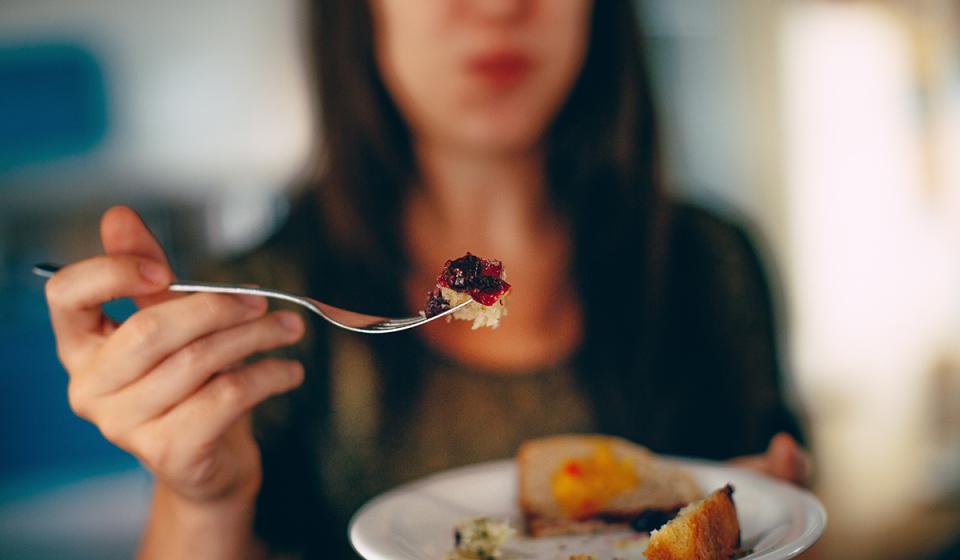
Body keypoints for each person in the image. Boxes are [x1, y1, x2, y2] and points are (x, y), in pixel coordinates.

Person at [42, 1, 811, 558]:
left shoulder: (713, 262)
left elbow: (779, 524)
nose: (503, 7)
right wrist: (203, 499)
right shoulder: (246, 310)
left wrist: (756, 524)